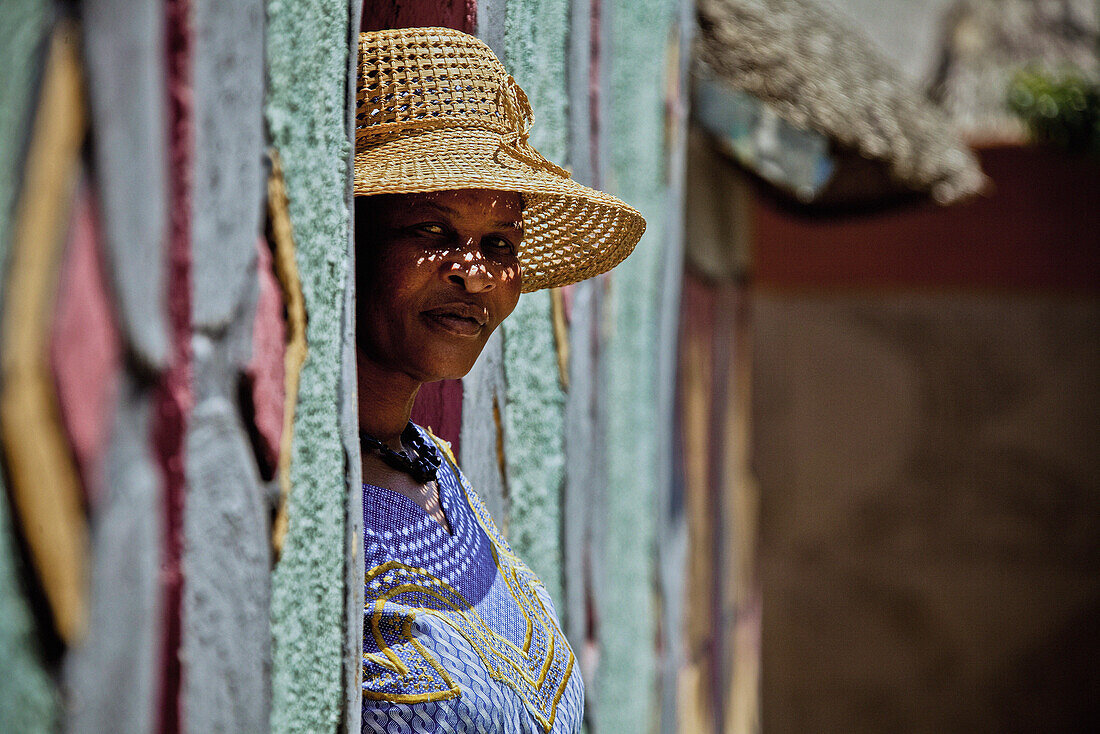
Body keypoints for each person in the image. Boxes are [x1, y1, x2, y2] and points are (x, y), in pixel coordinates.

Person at [353, 27, 645, 733]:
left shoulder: (437, 471)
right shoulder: (311, 501)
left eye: (499, 244)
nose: (472, 272)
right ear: (352, 236)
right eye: (431, 231)